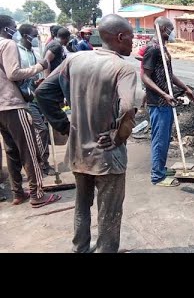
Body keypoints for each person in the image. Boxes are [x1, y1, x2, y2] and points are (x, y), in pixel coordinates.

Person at [35, 14, 137, 253]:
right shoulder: (123, 69)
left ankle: (79, 248)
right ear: (120, 37)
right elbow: (127, 109)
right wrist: (117, 137)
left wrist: (64, 127)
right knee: (109, 210)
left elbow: (42, 93)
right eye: (131, 37)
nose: (133, 42)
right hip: (107, 157)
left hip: (79, 152)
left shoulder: (75, 59)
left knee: (82, 205)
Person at [0, 15, 61, 207]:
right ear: (6, 28)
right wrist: (39, 67)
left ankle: (18, 193)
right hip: (13, 104)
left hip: (1, 106)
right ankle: (37, 194)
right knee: (29, 150)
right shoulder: (8, 44)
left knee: (11, 151)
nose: (15, 29)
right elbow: (13, 73)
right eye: (13, 27)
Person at [141, 17, 194, 187]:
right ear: (163, 29)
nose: (172, 32)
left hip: (166, 101)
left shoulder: (163, 49)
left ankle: (161, 168)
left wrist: (185, 88)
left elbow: (168, 74)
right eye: (171, 29)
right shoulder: (152, 49)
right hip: (158, 102)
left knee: (165, 138)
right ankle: (157, 176)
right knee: (159, 139)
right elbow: (145, 76)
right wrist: (163, 94)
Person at [17, 24, 55, 176]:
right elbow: (17, 75)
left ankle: (43, 161)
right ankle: (41, 163)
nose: (35, 37)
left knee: (43, 129)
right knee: (41, 129)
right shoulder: (17, 52)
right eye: (33, 34)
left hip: (36, 94)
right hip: (24, 97)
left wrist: (38, 81)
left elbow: (37, 73)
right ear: (25, 35)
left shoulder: (34, 51)